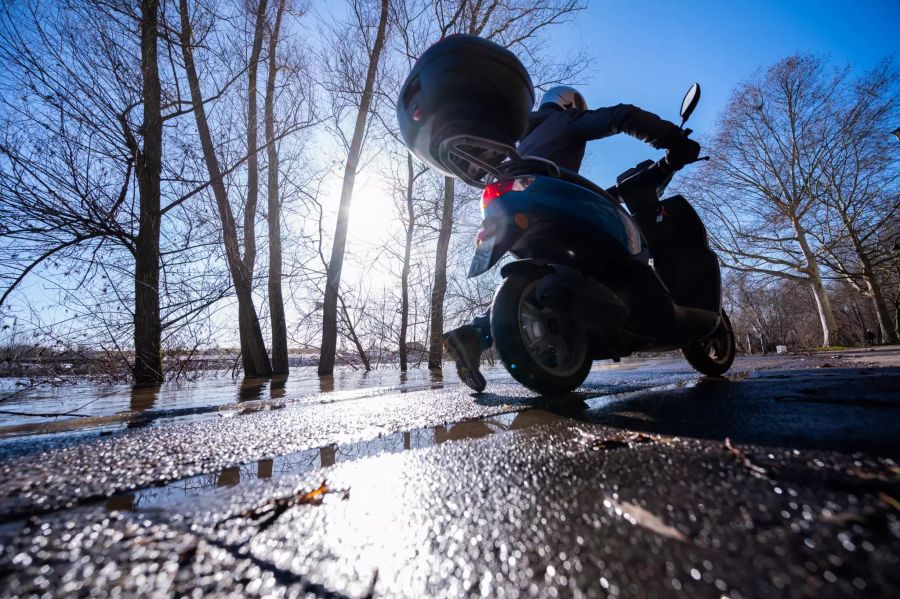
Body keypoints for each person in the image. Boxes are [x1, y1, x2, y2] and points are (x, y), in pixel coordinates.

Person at [442, 85, 701, 392]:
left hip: (514, 202)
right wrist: (672, 139)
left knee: (554, 272)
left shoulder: (521, 137)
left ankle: (471, 336)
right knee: (620, 252)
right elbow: (621, 116)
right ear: (569, 104)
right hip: (549, 197)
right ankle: (636, 314)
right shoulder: (561, 120)